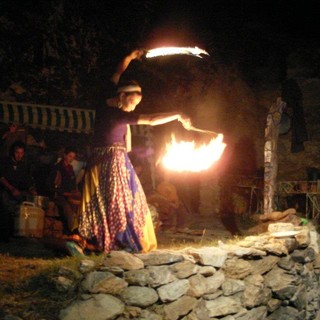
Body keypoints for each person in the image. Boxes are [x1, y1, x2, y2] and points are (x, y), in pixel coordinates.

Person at [78, 49, 192, 253]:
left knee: (120, 200)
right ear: (123, 96)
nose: (133, 107)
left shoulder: (105, 100)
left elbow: (116, 72)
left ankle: (104, 238)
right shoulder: (117, 116)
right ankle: (118, 239)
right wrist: (176, 114)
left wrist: (129, 58)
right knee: (120, 201)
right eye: (133, 102)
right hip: (112, 163)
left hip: (103, 160)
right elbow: (151, 118)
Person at [0, 141, 37, 241]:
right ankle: (5, 234)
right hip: (4, 190)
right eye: (17, 152)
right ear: (13, 152)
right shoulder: (4, 162)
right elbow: (1, 178)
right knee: (5, 202)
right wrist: (11, 188)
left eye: (21, 153)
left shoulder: (23, 166)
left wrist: (31, 189)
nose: (19, 155)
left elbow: (27, 180)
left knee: (26, 204)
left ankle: (22, 232)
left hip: (17, 192)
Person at [46, 147, 81, 234]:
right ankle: (73, 230)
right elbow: (50, 185)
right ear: (65, 155)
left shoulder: (70, 169)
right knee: (67, 207)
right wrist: (63, 193)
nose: (71, 159)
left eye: (73, 157)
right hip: (59, 195)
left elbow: (72, 183)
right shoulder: (57, 168)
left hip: (68, 194)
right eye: (70, 156)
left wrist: (74, 192)